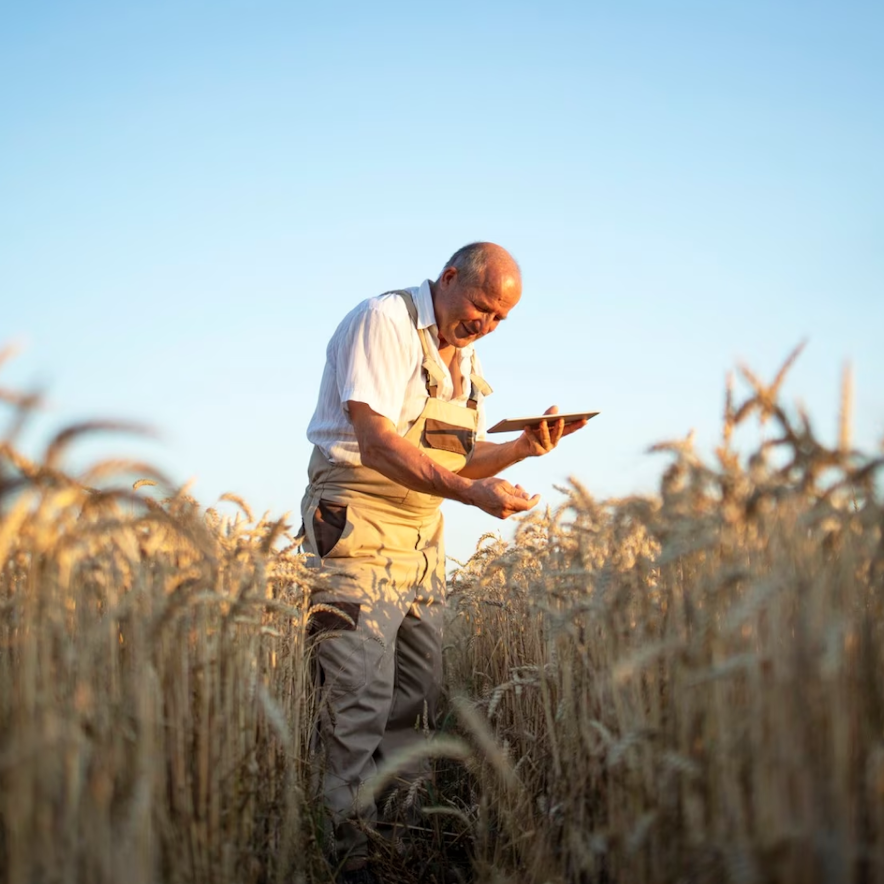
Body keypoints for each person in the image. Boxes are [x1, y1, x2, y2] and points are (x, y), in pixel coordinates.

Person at [300, 242, 587, 883]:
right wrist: (472, 496)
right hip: (356, 525)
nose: (485, 325)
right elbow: (376, 443)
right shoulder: (385, 321)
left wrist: (518, 451)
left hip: (421, 537)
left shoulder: (464, 357)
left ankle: (398, 849)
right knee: (358, 702)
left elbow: (454, 460)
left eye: (499, 320)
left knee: (415, 699)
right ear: (450, 278)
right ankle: (348, 861)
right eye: (481, 308)